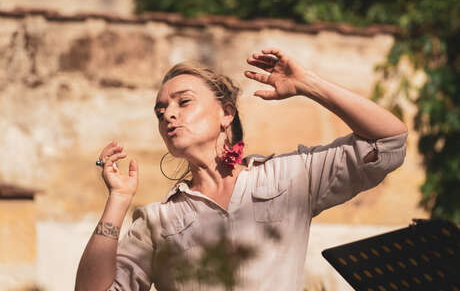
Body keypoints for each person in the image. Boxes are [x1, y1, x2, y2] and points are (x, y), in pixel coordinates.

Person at [75, 48, 408, 291]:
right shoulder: (157, 222)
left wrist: (310, 85)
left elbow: (388, 141)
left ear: (226, 114)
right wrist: (118, 199)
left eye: (183, 101)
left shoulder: (288, 178)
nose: (168, 115)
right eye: (160, 111)